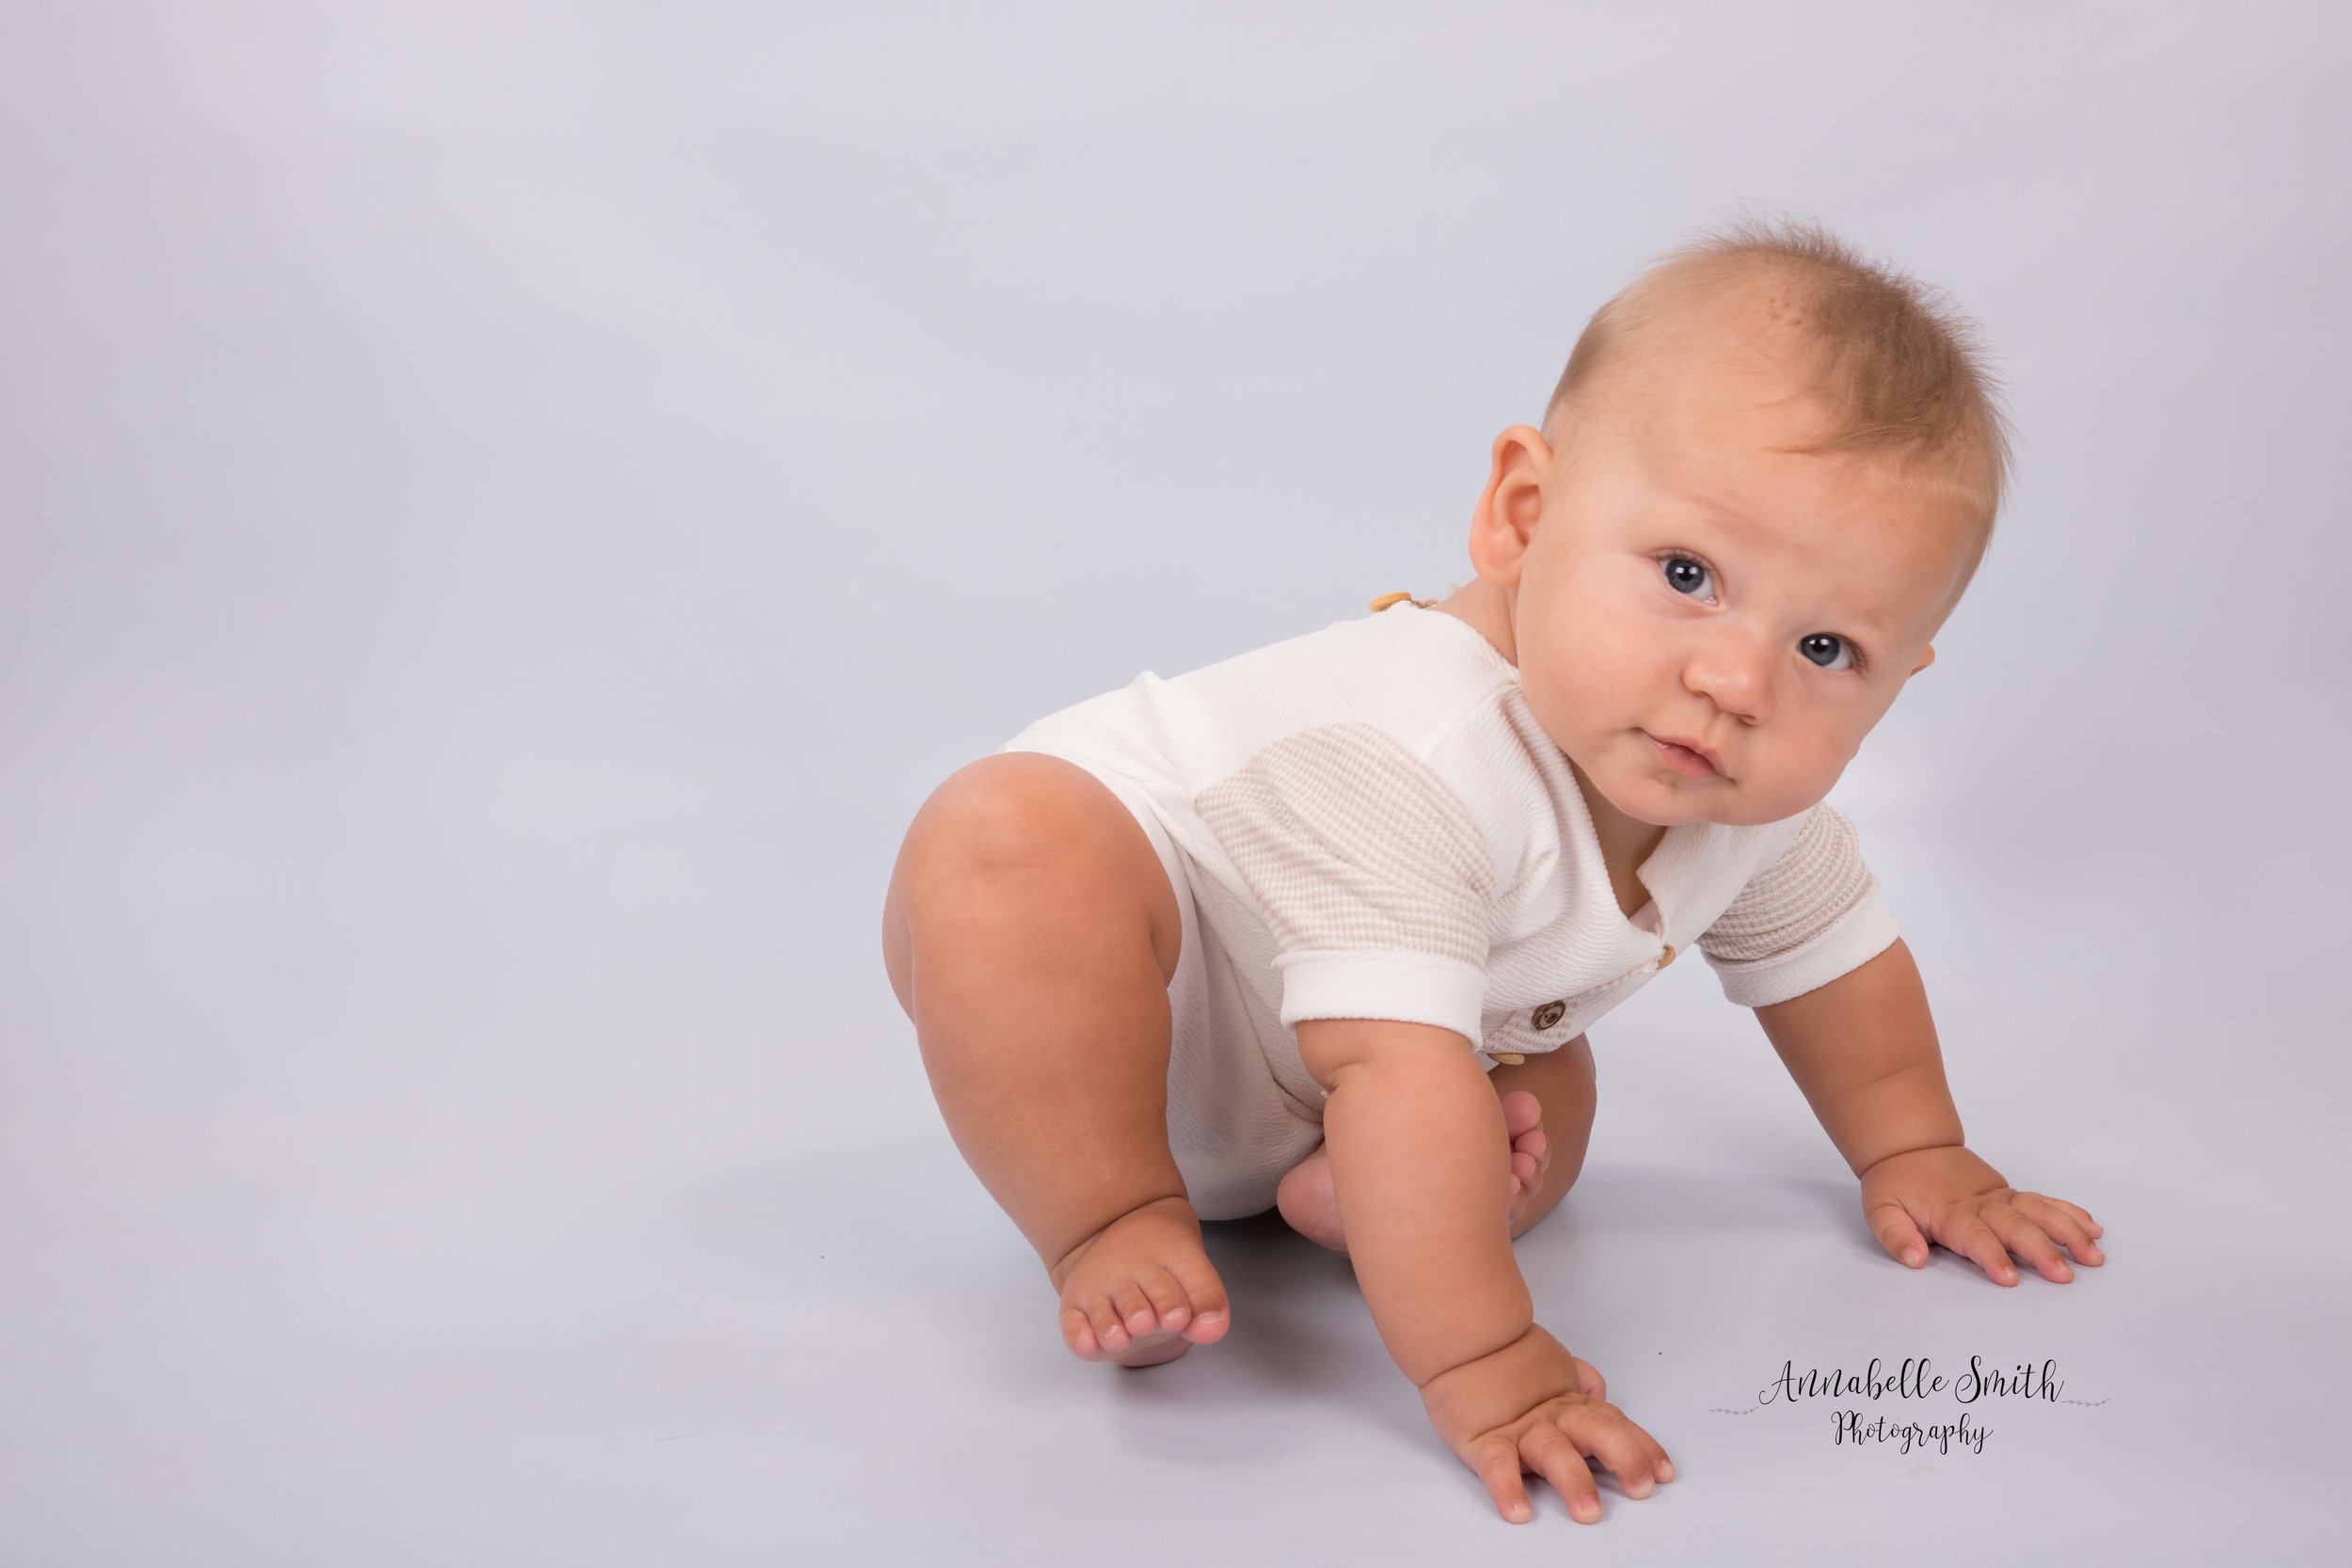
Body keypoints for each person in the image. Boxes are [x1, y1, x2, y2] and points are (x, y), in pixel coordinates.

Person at [880, 215, 2104, 1527]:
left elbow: (1842, 971)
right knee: (1006, 846)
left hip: (1376, 1061)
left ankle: (1371, 1199)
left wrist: (1920, 1151)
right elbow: (1395, 1064)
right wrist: (1489, 1364)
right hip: (1157, 1000)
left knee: (1545, 1082)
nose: (1736, 682)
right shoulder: (1421, 752)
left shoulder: (1746, 805)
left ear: (1901, 677)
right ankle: (1110, 1215)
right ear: (1524, 516)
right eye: (1688, 574)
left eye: (1826, 651)